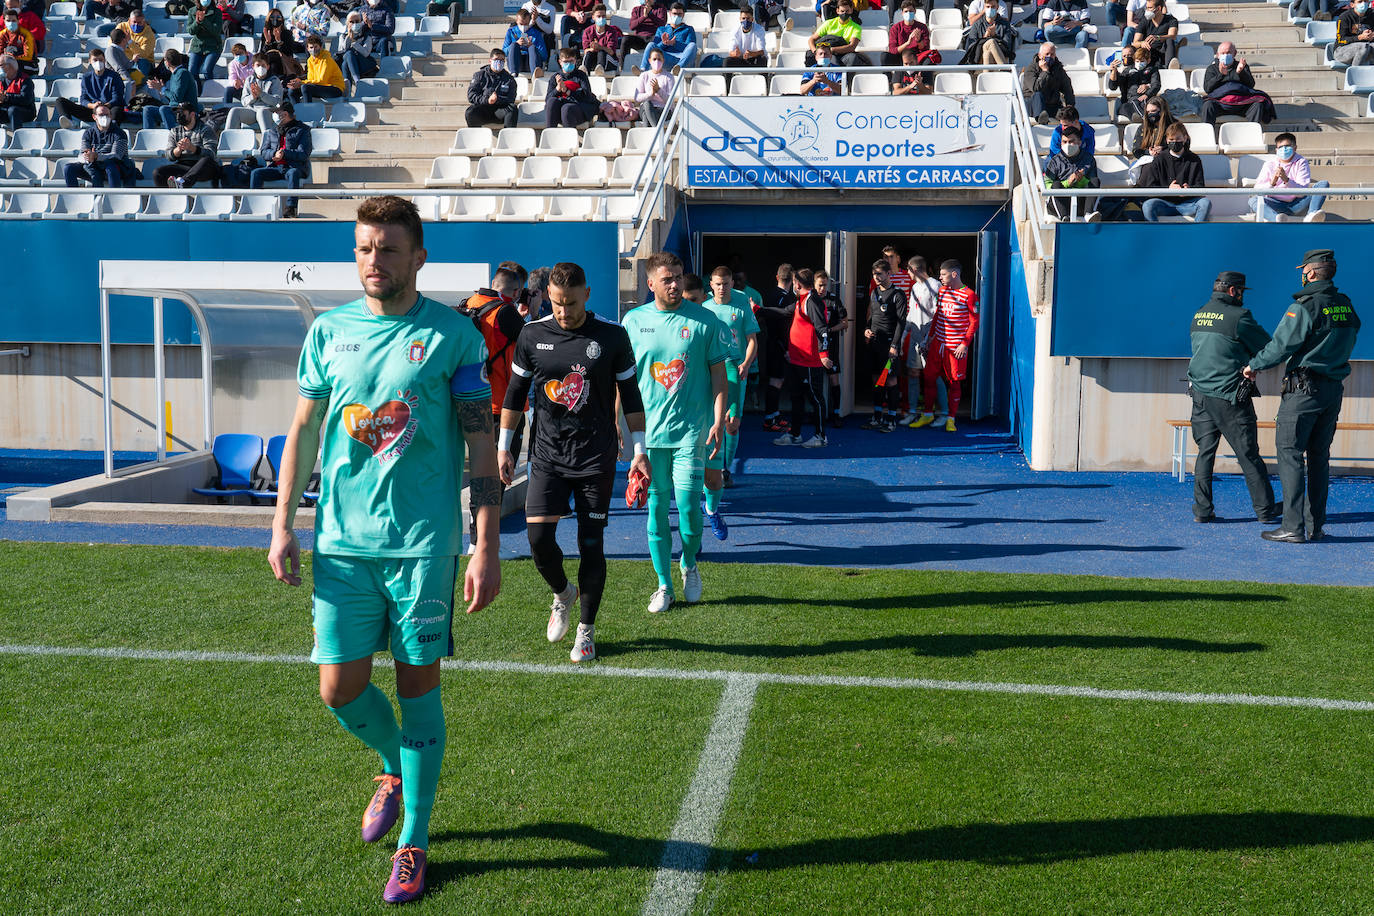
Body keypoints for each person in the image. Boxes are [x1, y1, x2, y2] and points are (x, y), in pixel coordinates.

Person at [268, 196, 500, 906]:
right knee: (336, 689)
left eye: (389, 249)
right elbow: (303, 431)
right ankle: (392, 767)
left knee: (416, 688)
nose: (375, 262)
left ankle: (415, 843)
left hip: (423, 547)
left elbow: (482, 446)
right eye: (366, 248)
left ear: (419, 256)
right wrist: (282, 523)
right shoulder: (328, 333)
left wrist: (485, 544)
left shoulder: (455, 337)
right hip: (340, 544)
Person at [497, 262, 648, 663]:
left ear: (588, 293)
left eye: (571, 303)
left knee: (591, 544)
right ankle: (562, 593)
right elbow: (514, 394)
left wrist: (640, 451)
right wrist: (504, 447)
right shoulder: (532, 334)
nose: (564, 312)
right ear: (549, 295)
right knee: (538, 541)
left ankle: (586, 630)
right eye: (557, 303)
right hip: (546, 455)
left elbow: (631, 398)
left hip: (596, 456)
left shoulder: (613, 336)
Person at [623, 251, 728, 614]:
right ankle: (663, 585)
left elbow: (718, 375)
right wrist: (616, 424)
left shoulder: (704, 320)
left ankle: (689, 563)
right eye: (667, 279)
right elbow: (622, 380)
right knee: (655, 507)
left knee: (687, 509)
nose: (674, 284)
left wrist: (717, 419)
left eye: (678, 277)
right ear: (650, 283)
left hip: (691, 433)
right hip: (648, 437)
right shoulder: (633, 321)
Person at [1244, 250, 1362, 543]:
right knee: (1319, 458)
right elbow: (1352, 334)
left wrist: (1252, 366)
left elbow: (1280, 346)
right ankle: (1315, 526)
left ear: (1309, 273)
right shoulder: (1345, 304)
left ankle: (1293, 527)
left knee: (1290, 455)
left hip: (1303, 392)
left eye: (1303, 270)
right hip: (1333, 389)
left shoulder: (1305, 306)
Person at [1187, 270, 1277, 526]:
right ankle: (1265, 510)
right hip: (1229, 397)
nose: (1242, 297)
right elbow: (1267, 346)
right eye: (1241, 292)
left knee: (1205, 453)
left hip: (1200, 394)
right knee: (1248, 454)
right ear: (1232, 291)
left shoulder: (1199, 314)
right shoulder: (1239, 316)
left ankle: (1202, 511)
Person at [461, 266, 526, 549]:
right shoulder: (506, 312)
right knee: (498, 476)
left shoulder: (467, 305)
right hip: (504, 407)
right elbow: (529, 349)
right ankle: (483, 540)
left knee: (479, 472)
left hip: (472, 402)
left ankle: (477, 539)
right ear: (515, 291)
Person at [701, 266, 759, 533]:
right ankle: (715, 470)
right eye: (717, 284)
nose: (722, 288)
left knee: (732, 422)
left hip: (736, 369)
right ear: (710, 285)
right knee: (715, 420)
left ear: (732, 283)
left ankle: (725, 468)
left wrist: (747, 363)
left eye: (726, 283)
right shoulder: (704, 308)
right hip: (713, 368)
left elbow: (751, 339)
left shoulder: (741, 303)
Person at [911, 259, 978, 432]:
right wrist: (928, 339)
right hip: (938, 344)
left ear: (954, 274)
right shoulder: (942, 292)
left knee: (954, 383)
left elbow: (974, 322)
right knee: (929, 378)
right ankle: (927, 414)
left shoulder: (969, 294)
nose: (939, 277)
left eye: (943, 274)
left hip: (955, 347)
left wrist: (964, 344)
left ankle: (950, 419)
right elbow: (938, 317)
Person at [774, 267, 833, 448]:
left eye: (794, 282)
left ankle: (821, 436)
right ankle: (795, 434)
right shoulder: (801, 301)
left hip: (809, 360)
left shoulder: (812, 301)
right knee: (796, 397)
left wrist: (824, 354)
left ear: (797, 284)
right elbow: (783, 312)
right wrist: (758, 309)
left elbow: (822, 330)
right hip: (796, 359)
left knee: (816, 398)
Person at [227, 100, 312, 218]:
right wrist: (274, 154)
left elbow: (303, 154)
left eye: (277, 112)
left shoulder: (303, 130)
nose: (275, 115)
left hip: (294, 167)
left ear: (285, 114)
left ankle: (291, 208)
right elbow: (263, 152)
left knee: (293, 173)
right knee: (256, 173)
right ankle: (255, 205)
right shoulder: (272, 131)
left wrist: (284, 153)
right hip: (276, 167)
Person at [861, 259, 907, 432]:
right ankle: (877, 417)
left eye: (880, 273)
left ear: (889, 274)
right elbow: (872, 316)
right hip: (874, 344)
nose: (877, 277)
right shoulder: (874, 292)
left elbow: (901, 323)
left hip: (889, 346)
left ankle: (892, 419)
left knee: (890, 381)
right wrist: (866, 329)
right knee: (877, 380)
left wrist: (895, 345)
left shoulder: (898, 294)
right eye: (874, 274)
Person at [903, 256, 947, 427]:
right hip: (915, 339)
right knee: (913, 373)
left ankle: (943, 413)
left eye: (907, 270)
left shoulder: (936, 286)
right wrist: (902, 336)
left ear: (914, 269)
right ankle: (913, 412)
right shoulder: (914, 287)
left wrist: (929, 339)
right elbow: (911, 313)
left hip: (929, 341)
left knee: (934, 377)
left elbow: (939, 315)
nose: (907, 273)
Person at [1249, 133, 1328, 223]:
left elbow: (1302, 191)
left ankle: (1311, 215)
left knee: (1323, 184)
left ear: (1295, 148)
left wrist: (1287, 180)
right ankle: (1276, 219)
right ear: (1276, 150)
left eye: (1287, 146)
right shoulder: (1269, 164)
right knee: (1253, 200)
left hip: (1297, 203)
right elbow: (1257, 190)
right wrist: (1273, 182)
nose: (1284, 149)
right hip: (1275, 203)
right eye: (1280, 147)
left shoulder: (1301, 162)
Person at [1139, 121, 1209, 222]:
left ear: (1185, 138)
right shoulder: (1159, 159)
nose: (1175, 142)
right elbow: (1151, 187)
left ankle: (1196, 233)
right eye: (1171, 139)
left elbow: (1200, 185)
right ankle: (1155, 234)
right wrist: (1168, 189)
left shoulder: (1194, 159)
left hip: (1188, 204)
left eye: (1178, 139)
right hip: (1165, 203)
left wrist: (1189, 190)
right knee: (1148, 205)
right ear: (1167, 140)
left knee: (1205, 203)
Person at [1200, 41, 1274, 126]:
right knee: (1208, 105)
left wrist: (1241, 72)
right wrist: (1221, 75)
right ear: (1217, 55)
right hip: (1220, 103)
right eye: (1223, 53)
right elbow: (1207, 89)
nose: (1225, 55)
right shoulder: (1212, 69)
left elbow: (1250, 85)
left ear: (1234, 53)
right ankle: (1207, 135)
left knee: (1257, 105)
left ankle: (1252, 134)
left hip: (1242, 103)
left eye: (1228, 53)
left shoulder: (1242, 66)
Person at [63, 101, 135, 187]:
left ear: (111, 116)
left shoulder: (120, 133)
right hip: (94, 166)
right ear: (94, 117)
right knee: (69, 168)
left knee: (110, 167)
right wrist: (87, 156)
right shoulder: (88, 133)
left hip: (116, 168)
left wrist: (96, 156)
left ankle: (114, 197)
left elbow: (116, 156)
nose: (104, 117)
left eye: (107, 115)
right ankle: (74, 197)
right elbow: (83, 153)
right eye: (101, 115)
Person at [759, 263, 794, 432]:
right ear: (792, 279)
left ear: (777, 277)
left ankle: (774, 414)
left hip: (772, 342)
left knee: (777, 380)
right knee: (776, 381)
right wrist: (786, 348)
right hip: (779, 344)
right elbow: (782, 325)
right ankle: (769, 419)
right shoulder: (786, 298)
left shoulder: (770, 295)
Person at [1042, 124, 1102, 220]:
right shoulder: (1054, 160)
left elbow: (1092, 181)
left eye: (1071, 141)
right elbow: (1047, 184)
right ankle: (1064, 217)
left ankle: (1088, 214)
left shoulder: (1088, 159)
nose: (1067, 145)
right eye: (1064, 142)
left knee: (1095, 181)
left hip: (1081, 201)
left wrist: (1081, 180)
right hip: (1061, 202)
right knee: (1056, 184)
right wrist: (1067, 183)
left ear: (1079, 142)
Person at [153, 103, 221, 187]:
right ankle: (168, 197)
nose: (178, 116)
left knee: (206, 160)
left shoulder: (205, 129)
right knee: (158, 172)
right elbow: (168, 155)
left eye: (182, 113)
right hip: (185, 166)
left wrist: (192, 148)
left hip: (203, 168)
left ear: (192, 114)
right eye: (177, 113)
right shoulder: (175, 131)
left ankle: (182, 183)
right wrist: (178, 149)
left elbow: (212, 154)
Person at [58, 48, 125, 127]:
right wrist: (93, 106)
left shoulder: (114, 76)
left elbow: (117, 98)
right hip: (93, 111)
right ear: (90, 61)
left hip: (108, 110)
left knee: (117, 110)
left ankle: (112, 127)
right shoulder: (86, 77)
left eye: (100, 60)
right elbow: (83, 99)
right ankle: (68, 122)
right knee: (60, 101)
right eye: (95, 60)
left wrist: (105, 106)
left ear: (104, 61)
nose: (98, 62)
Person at [814, 269, 846, 427]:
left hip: (831, 345)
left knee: (834, 379)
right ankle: (817, 413)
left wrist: (831, 329)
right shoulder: (810, 299)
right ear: (814, 284)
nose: (822, 289)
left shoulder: (833, 299)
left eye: (825, 285)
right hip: (814, 346)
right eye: (820, 285)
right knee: (815, 380)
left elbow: (845, 322)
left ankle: (836, 413)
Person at [142, 48, 199, 130]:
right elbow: (173, 98)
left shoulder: (182, 73)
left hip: (185, 110)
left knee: (164, 109)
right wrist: (160, 89)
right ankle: (147, 139)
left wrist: (162, 89)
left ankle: (173, 137)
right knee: (147, 110)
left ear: (167, 62)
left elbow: (177, 97)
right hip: (174, 109)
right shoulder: (174, 74)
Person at [227, 52, 284, 131]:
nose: (261, 68)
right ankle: (229, 140)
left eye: (263, 65)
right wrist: (252, 97)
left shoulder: (274, 80)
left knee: (261, 112)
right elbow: (244, 101)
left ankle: (267, 141)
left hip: (269, 111)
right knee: (234, 111)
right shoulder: (249, 80)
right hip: (252, 111)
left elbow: (277, 102)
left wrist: (261, 94)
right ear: (253, 66)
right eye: (258, 65)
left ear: (268, 67)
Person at [544, 47, 599, 127]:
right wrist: (557, 89)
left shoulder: (581, 75)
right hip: (559, 111)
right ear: (560, 62)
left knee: (566, 108)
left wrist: (567, 91)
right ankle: (549, 133)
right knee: (552, 101)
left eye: (571, 61)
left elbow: (587, 96)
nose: (569, 64)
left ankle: (570, 136)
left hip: (577, 109)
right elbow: (547, 99)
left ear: (575, 61)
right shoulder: (555, 77)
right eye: (566, 62)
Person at [465, 48, 519, 128]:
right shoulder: (479, 75)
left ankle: (508, 137)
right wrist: (487, 100)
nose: (499, 62)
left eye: (502, 60)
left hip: (500, 111)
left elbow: (511, 98)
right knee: (470, 112)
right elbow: (471, 95)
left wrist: (497, 99)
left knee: (513, 109)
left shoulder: (509, 79)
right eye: (496, 59)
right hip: (483, 109)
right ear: (490, 61)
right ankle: (476, 137)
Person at [1023, 41, 1075, 123]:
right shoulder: (1031, 69)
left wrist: (1070, 106)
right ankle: (1041, 117)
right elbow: (1036, 88)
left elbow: (1067, 87)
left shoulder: (1058, 69)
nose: (1049, 56)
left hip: (1051, 105)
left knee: (1066, 117)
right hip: (1033, 105)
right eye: (1047, 54)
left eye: (1052, 54)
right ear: (1040, 55)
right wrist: (1045, 72)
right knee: (1038, 94)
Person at [809, 0, 870, 68]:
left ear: (851, 10)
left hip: (843, 54)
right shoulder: (828, 23)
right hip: (825, 52)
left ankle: (846, 78)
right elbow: (812, 39)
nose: (844, 13)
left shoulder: (856, 27)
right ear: (837, 11)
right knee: (810, 54)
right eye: (842, 11)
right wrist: (816, 51)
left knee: (852, 58)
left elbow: (852, 47)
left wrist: (831, 50)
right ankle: (812, 76)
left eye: (847, 11)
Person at [700, 6, 766, 69]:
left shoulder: (759, 29)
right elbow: (731, 53)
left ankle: (765, 80)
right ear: (740, 19)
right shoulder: (735, 31)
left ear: (752, 19)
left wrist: (751, 54)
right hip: (740, 59)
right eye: (743, 18)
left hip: (754, 59)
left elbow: (761, 52)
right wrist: (735, 54)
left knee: (763, 60)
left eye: (748, 18)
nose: (745, 21)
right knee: (727, 61)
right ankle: (727, 81)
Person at [1107, 44, 1158, 123]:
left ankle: (1142, 119)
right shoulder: (1125, 71)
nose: (1127, 58)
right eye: (1124, 56)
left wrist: (1148, 87)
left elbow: (1156, 84)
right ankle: (1144, 119)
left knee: (1151, 105)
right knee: (1129, 106)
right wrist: (1114, 71)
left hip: (1146, 101)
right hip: (1129, 102)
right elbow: (1113, 86)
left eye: (1130, 55)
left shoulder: (1151, 69)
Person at [641, 2, 697, 71]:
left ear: (683, 15)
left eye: (679, 14)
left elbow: (689, 49)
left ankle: (679, 68)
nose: (677, 16)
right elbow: (656, 49)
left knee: (692, 45)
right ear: (670, 13)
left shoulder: (689, 29)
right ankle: (643, 70)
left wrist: (674, 43)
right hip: (665, 59)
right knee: (651, 45)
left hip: (682, 58)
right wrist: (664, 43)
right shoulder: (661, 29)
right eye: (674, 13)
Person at [291, 34, 346, 102]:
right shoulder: (310, 60)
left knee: (305, 87)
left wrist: (301, 83)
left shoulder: (326, 59)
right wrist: (298, 83)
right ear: (307, 48)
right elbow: (311, 79)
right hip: (320, 87)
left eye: (316, 47)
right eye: (311, 47)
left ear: (320, 47)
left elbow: (322, 81)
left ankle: (308, 111)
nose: (313, 49)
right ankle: (296, 112)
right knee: (292, 91)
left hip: (335, 88)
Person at [338, 10, 379, 94]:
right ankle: (353, 85)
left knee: (348, 55)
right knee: (345, 60)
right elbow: (342, 51)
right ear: (347, 23)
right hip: (349, 64)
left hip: (363, 64)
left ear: (361, 22)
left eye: (357, 21)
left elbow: (366, 53)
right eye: (351, 22)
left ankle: (355, 84)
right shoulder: (343, 36)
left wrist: (353, 42)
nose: (354, 23)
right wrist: (349, 37)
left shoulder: (366, 35)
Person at [187, 0, 225, 91]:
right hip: (197, 46)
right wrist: (197, 22)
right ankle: (198, 91)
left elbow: (216, 30)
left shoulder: (217, 12)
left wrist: (204, 21)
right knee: (192, 70)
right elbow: (190, 31)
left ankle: (211, 91)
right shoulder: (192, 11)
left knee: (206, 70)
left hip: (213, 46)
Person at [1131, 0, 1179, 69]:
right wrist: (1142, 43)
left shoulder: (1171, 20)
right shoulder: (1144, 21)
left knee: (1170, 40)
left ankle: (1170, 66)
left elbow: (1173, 36)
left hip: (1164, 51)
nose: (1147, 10)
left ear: (1158, 8)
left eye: (1150, 8)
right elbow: (1135, 42)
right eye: (1146, 8)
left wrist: (1158, 37)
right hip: (1149, 52)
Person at [261, 7, 306, 79]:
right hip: (270, 64)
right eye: (272, 17)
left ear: (282, 19)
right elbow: (263, 54)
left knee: (275, 65)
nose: (275, 19)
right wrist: (268, 42)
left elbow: (288, 53)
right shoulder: (266, 33)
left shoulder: (287, 33)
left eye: (278, 17)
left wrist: (279, 41)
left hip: (284, 64)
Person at [504, 8, 548, 77]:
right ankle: (514, 73)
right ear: (516, 21)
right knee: (513, 45)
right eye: (521, 24)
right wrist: (517, 43)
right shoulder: (511, 32)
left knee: (532, 47)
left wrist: (531, 45)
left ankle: (535, 74)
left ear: (530, 21)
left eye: (526, 24)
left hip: (531, 61)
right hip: (517, 61)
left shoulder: (536, 33)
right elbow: (504, 52)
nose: (523, 26)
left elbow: (544, 56)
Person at [114, 9, 157, 79]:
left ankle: (139, 85)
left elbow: (143, 54)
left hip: (143, 62)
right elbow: (113, 44)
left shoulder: (149, 34)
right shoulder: (122, 27)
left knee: (141, 62)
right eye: (134, 22)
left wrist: (130, 42)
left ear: (144, 21)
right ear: (129, 20)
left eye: (139, 23)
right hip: (125, 60)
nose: (136, 25)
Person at [623, 0, 667, 67]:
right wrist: (644, 16)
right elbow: (632, 26)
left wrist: (650, 14)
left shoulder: (661, 9)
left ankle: (658, 66)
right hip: (639, 38)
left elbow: (662, 24)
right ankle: (623, 66)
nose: (647, 0)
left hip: (653, 37)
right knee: (625, 39)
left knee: (661, 40)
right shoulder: (636, 9)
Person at [1129, 94, 1173, 159]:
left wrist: (1164, 150)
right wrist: (1149, 152)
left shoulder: (1174, 127)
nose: (1150, 114)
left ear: (1162, 111)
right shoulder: (1143, 128)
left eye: (1153, 111)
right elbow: (1136, 150)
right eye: (1148, 112)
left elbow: (1182, 146)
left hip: (1168, 161)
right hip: (1148, 161)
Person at [581, 5, 623, 73]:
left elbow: (611, 52)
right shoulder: (587, 31)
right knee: (589, 53)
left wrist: (600, 47)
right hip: (594, 59)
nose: (601, 18)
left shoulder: (612, 31)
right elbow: (585, 50)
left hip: (609, 61)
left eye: (603, 16)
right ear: (593, 17)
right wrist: (593, 48)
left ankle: (600, 68)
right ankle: (584, 70)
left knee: (602, 52)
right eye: (598, 16)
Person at [1333, 0, 1374, 67]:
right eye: (1360, 1)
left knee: (1367, 47)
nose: (1363, 4)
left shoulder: (1372, 15)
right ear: (1352, 5)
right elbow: (1341, 40)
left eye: (1365, 1)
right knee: (1363, 47)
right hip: (1342, 50)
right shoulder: (1344, 17)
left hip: (1367, 46)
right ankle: (1356, 74)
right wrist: (1360, 37)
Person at [0, 52, 34, 131]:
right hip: (6, 110)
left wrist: (6, 98)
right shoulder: (1, 80)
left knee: (13, 110)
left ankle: (18, 138)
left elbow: (26, 99)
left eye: (1, 65)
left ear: (10, 66)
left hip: (25, 111)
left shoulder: (25, 79)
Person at [0, 8, 36, 73]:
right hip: (8, 64)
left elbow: (28, 57)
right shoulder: (2, 35)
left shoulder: (26, 35)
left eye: (13, 20)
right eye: (8, 20)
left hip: (27, 65)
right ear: (4, 21)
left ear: (18, 21)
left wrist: (12, 59)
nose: (11, 23)